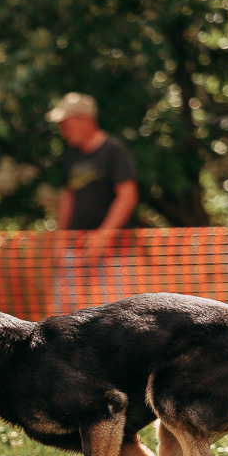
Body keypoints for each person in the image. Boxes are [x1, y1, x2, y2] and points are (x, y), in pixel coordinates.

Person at [46, 92, 140, 313]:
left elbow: (127, 195)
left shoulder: (113, 151)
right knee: (65, 315)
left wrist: (104, 236)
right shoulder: (71, 156)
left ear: (85, 120)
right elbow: (68, 197)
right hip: (75, 249)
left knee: (116, 315)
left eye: (67, 125)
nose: (63, 132)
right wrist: (61, 238)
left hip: (112, 253)